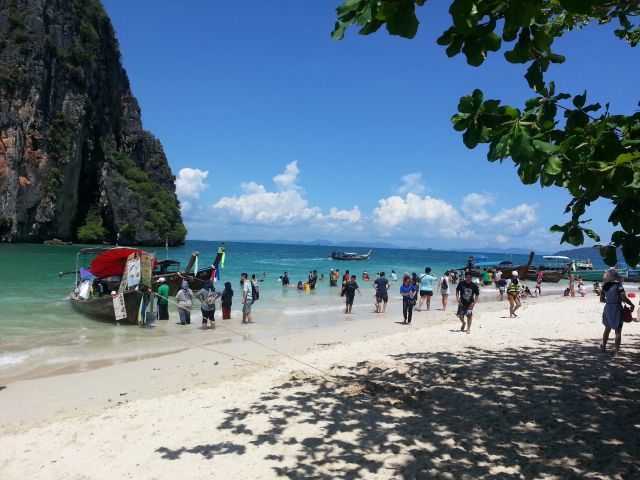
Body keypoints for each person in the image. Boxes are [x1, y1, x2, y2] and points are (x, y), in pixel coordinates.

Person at [600, 270, 634, 357]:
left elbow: (601, 299)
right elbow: (623, 297)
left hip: (608, 307)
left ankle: (603, 347)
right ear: (618, 278)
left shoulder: (605, 286)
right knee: (618, 331)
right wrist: (631, 304)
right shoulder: (619, 286)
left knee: (607, 328)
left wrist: (610, 301)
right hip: (616, 307)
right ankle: (616, 352)